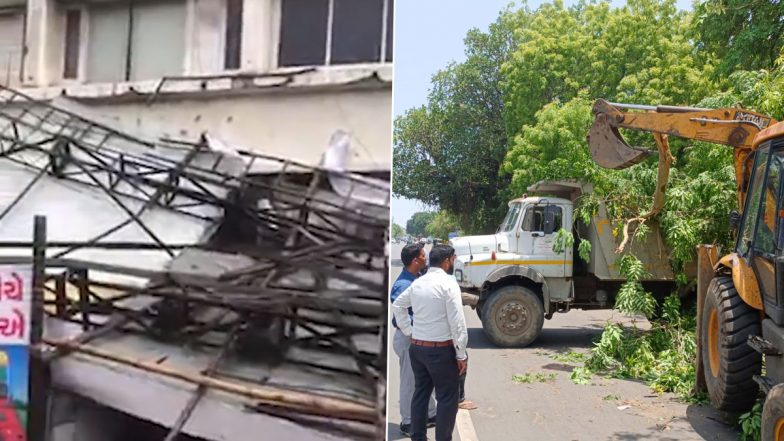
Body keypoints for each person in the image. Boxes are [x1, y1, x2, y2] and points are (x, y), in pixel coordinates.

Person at [392, 245, 468, 441]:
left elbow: (398, 305)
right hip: (440, 350)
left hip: (418, 349)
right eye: (453, 259)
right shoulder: (448, 284)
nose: (454, 262)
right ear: (446, 261)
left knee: (421, 393)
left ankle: (418, 437)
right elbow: (457, 322)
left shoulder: (418, 283)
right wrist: (461, 354)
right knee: (446, 399)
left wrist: (410, 331)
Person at [390, 243, 436, 436]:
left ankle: (431, 414)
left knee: (426, 377)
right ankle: (407, 421)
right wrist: (415, 330)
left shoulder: (415, 278)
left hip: (418, 337)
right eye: (423, 255)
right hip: (409, 337)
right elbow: (401, 315)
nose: (426, 258)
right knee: (410, 381)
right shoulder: (403, 284)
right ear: (416, 260)